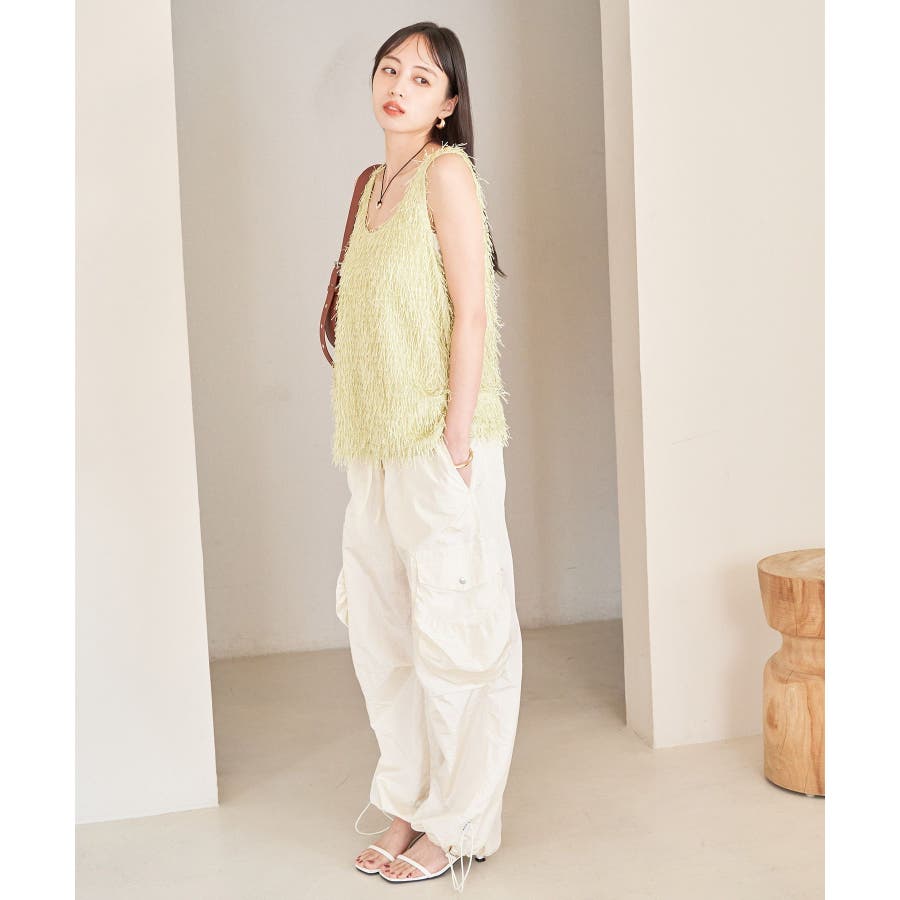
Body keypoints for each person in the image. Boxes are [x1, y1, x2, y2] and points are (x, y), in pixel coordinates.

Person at [330, 21, 522, 892]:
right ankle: (408, 801)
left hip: (441, 440)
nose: (398, 86)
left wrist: (455, 439)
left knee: (457, 631)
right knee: (385, 638)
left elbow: (472, 310)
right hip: (374, 444)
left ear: (448, 103)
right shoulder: (371, 184)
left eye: (420, 77)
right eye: (389, 69)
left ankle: (459, 821)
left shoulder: (448, 173)